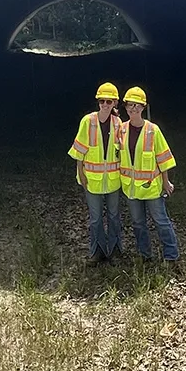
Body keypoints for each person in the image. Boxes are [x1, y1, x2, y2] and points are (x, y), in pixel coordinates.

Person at [118, 86, 180, 263]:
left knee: (161, 221)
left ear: (143, 107)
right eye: (130, 104)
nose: (133, 108)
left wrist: (165, 182)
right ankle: (145, 256)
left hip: (151, 187)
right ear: (126, 106)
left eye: (137, 105)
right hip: (131, 188)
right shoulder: (121, 130)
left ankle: (171, 256)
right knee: (138, 224)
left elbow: (164, 158)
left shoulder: (153, 130)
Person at [68, 82, 124, 262]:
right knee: (95, 219)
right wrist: (81, 173)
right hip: (91, 179)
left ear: (115, 103)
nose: (105, 105)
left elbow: (122, 152)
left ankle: (115, 250)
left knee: (114, 217)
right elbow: (79, 150)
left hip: (114, 179)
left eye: (109, 101)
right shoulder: (88, 121)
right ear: (98, 102)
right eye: (102, 101)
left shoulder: (118, 123)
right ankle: (97, 251)